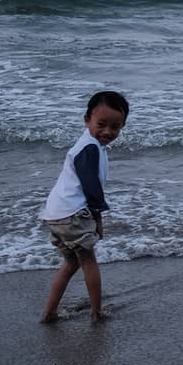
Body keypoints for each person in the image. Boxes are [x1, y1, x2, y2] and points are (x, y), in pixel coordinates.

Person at [40, 90, 130, 323]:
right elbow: (91, 189)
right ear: (86, 119)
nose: (108, 131)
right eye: (101, 124)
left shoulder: (88, 143)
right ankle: (96, 311)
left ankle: (49, 312)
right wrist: (98, 219)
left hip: (56, 213)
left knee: (71, 264)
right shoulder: (89, 148)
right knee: (88, 261)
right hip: (73, 214)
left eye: (115, 126)